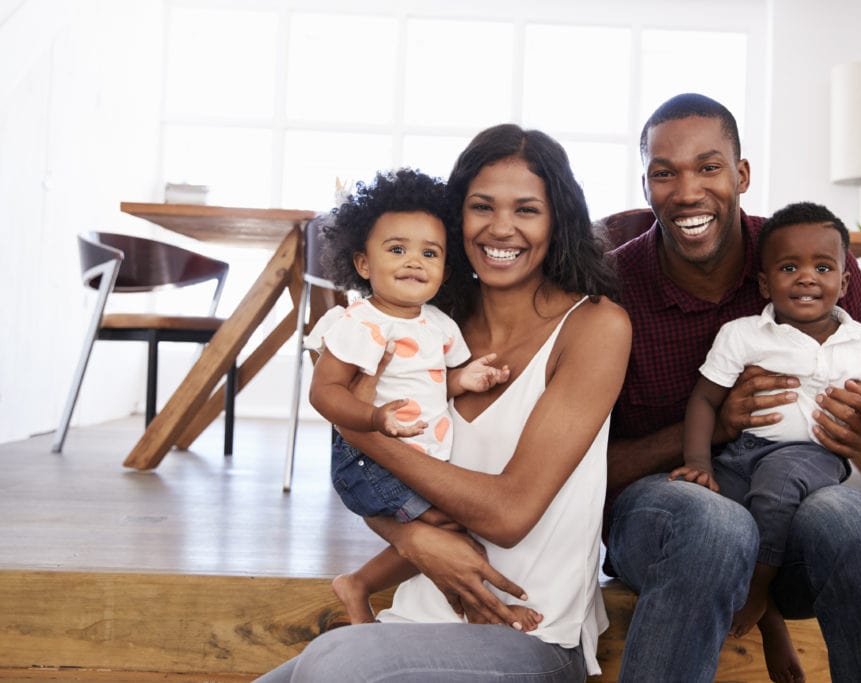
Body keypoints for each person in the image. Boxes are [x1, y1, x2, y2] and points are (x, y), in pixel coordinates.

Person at [253, 123, 631, 682]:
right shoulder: (424, 325)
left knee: (334, 666)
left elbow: (508, 514)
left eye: (527, 209)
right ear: (456, 217)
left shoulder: (595, 327)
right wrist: (410, 536)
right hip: (414, 618)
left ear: (558, 221)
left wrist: (364, 431)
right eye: (482, 206)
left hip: (530, 632)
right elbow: (363, 473)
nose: (501, 228)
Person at [604, 92, 861, 682]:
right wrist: (716, 425)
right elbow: (577, 467)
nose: (687, 191)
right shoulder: (612, 285)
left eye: (709, 167)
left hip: (790, 514)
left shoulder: (814, 260)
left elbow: (857, 417)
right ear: (645, 184)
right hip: (655, 515)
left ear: (742, 174)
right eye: (664, 173)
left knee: (853, 519)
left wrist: (858, 427)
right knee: (715, 524)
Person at [671, 201, 861, 682]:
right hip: (741, 456)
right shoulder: (742, 335)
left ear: (844, 283)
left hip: (813, 457)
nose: (806, 278)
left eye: (822, 267)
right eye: (788, 267)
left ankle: (759, 594)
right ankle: (772, 621)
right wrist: (701, 464)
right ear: (765, 284)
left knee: (778, 485)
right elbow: (703, 400)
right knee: (720, 516)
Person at [304, 167, 537, 630]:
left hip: (411, 458)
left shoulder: (437, 325)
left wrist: (463, 380)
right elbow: (323, 391)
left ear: (444, 270)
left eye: (429, 253)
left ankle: (358, 585)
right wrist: (372, 417)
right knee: (455, 529)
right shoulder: (359, 323)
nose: (414, 261)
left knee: (455, 530)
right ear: (363, 264)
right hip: (369, 462)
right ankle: (483, 611)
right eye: (397, 250)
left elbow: (428, 383)